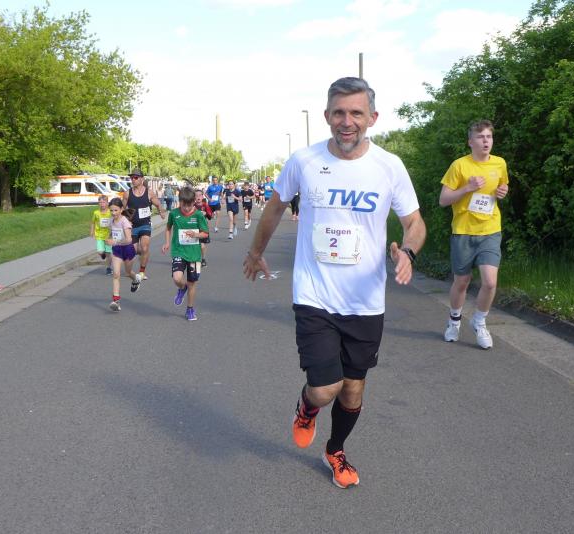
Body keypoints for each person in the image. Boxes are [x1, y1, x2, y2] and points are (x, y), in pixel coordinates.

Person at [243, 77, 426, 489]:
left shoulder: (389, 167)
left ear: (372, 118)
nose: (347, 121)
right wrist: (255, 252)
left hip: (365, 301)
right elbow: (274, 208)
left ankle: (335, 449)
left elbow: (414, 222)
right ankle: (307, 408)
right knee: (326, 388)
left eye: (356, 113)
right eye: (339, 113)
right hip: (315, 295)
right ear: (327, 116)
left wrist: (408, 252)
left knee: (353, 390)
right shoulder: (304, 161)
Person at [439, 120, 509, 350]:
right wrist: (467, 188)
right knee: (462, 281)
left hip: (490, 230)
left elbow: (502, 187)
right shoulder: (459, 166)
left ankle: (479, 322)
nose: (486, 141)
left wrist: (503, 191)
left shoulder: (499, 163)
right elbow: (443, 200)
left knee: (490, 282)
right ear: (471, 142)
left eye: (489, 136)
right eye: (480, 137)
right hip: (463, 231)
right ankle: (454, 321)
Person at [162, 186, 209, 321]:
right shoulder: (174, 213)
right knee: (177, 278)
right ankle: (182, 288)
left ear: (194, 202)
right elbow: (168, 228)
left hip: (195, 254)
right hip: (178, 251)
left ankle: (190, 309)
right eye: (184, 205)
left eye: (189, 205)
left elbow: (205, 233)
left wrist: (195, 234)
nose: (187, 208)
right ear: (180, 201)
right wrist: (167, 243)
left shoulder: (199, 215)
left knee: (192, 283)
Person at [122, 167, 163, 280]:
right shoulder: (127, 193)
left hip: (145, 224)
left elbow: (158, 203)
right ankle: (142, 253)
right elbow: (122, 209)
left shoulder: (149, 192)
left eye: (135, 177)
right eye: (132, 178)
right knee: (134, 250)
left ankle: (141, 272)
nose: (133, 180)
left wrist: (161, 212)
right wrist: (125, 220)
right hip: (133, 226)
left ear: (142, 179)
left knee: (145, 248)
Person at [106, 198, 143, 311]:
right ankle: (116, 301)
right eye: (111, 210)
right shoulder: (111, 221)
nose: (113, 213)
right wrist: (108, 239)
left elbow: (128, 240)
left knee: (128, 273)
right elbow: (111, 234)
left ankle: (136, 278)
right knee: (116, 274)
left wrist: (115, 241)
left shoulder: (124, 222)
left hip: (127, 250)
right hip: (117, 250)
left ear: (121, 209)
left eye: (116, 210)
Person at [90, 195, 113, 275]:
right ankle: (103, 255)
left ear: (107, 203)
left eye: (103, 202)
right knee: (100, 251)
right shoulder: (96, 213)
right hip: (99, 235)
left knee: (109, 253)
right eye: (100, 202)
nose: (102, 204)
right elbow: (93, 222)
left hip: (108, 235)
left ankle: (108, 268)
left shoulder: (110, 212)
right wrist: (92, 231)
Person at [194, 188, 213, 267]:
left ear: (202, 197)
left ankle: (203, 259)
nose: (198, 197)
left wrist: (206, 213)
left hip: (203, 228)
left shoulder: (205, 205)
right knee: (194, 245)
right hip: (194, 228)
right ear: (194, 197)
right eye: (196, 195)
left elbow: (210, 216)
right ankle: (193, 259)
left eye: (200, 195)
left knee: (202, 246)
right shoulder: (192, 206)